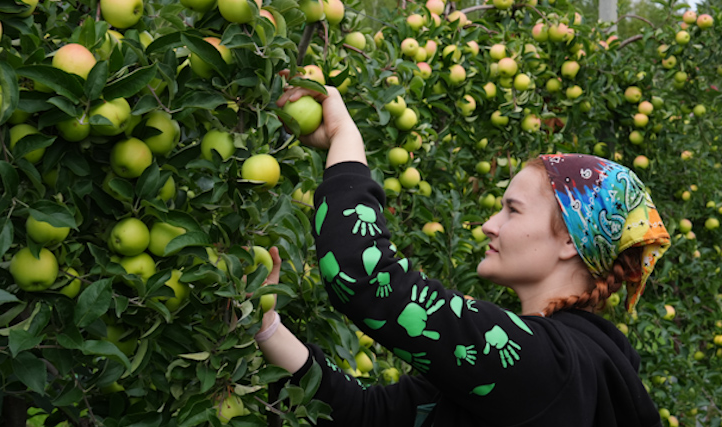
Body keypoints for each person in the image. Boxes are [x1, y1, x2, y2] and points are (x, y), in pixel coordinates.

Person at [253, 85, 671, 426]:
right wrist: (267, 328)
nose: (488, 224)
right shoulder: (526, 371)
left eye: (512, 210)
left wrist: (345, 137)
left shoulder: (552, 366)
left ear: (569, 242)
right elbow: (366, 414)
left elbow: (365, 278)